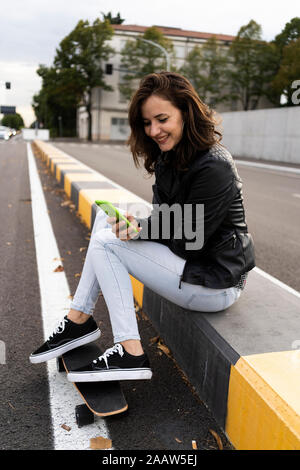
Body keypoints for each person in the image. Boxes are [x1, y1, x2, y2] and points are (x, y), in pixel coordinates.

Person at [29, 72, 255, 383]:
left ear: (186, 113)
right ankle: (78, 318)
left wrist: (141, 229)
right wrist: (139, 227)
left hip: (215, 281)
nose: (154, 130)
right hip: (191, 265)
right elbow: (169, 224)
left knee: (109, 242)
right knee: (106, 222)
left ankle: (129, 351)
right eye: (148, 123)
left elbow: (192, 240)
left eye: (162, 119)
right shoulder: (169, 158)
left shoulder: (215, 166)